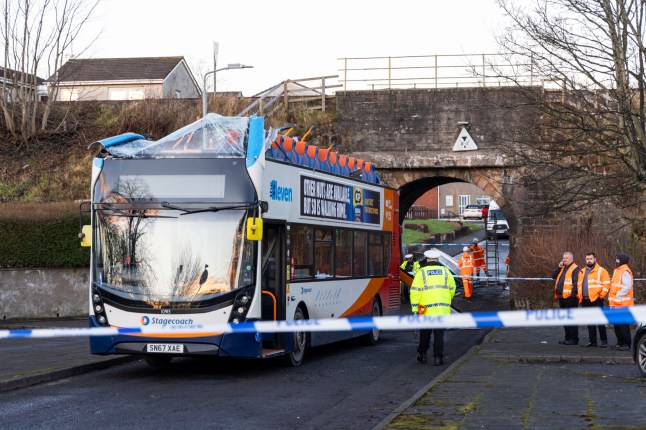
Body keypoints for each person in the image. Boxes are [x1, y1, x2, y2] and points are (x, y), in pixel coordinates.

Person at [410, 249, 456, 366]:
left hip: (425, 309)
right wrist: (446, 301)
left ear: (426, 259)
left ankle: (422, 355)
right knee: (439, 334)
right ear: (438, 259)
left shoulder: (421, 272)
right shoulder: (445, 271)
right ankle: (438, 358)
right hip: (442, 308)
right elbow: (452, 288)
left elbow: (415, 292)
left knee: (425, 333)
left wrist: (415, 309)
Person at [576, 252, 610, 347]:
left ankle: (604, 341)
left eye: (591, 258)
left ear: (595, 259)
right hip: (585, 300)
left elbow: (607, 284)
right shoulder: (582, 271)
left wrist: (601, 296)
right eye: (587, 259)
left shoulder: (601, 270)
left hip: (596, 299)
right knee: (590, 321)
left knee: (600, 321)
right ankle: (592, 341)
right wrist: (580, 297)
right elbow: (579, 285)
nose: (589, 260)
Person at [552, 251, 580, 345]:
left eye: (566, 258)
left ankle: (574, 339)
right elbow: (553, 276)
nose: (564, 259)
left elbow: (576, 284)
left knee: (571, 319)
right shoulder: (563, 267)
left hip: (570, 299)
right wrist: (559, 267)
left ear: (571, 259)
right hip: (562, 297)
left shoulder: (575, 269)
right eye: (563, 258)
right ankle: (567, 338)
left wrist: (573, 296)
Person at [608, 253, 634, 351]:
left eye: (617, 260)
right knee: (617, 325)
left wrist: (618, 295)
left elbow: (627, 286)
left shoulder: (625, 271)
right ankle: (620, 343)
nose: (616, 261)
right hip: (616, 304)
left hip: (623, 304)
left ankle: (627, 344)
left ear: (622, 260)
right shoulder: (617, 270)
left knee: (623, 326)